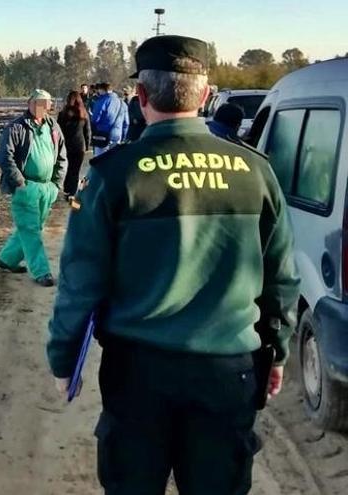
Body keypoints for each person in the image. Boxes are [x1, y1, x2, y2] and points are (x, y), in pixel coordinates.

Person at [47, 35, 299, 495]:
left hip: (138, 374)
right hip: (228, 373)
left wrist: (64, 356)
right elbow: (281, 277)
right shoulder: (256, 172)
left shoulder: (113, 173)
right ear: (205, 96)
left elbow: (80, 281)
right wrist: (277, 351)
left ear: (140, 97)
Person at [0, 89, 68, 287]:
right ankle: (41, 271)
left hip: (47, 188)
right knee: (31, 229)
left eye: (46, 104)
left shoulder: (53, 127)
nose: (43, 107)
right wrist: (20, 182)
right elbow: (4, 157)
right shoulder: (16, 127)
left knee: (32, 227)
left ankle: (7, 259)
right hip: (26, 187)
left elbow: (62, 156)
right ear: (30, 104)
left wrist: (56, 184)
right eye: (39, 103)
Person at [57, 90, 91, 197]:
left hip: (66, 146)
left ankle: (67, 189)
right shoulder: (83, 114)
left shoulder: (63, 114)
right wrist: (87, 145)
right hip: (79, 146)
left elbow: (58, 131)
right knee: (75, 170)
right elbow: (88, 131)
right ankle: (72, 192)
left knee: (67, 168)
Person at [90, 82, 129, 155]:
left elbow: (95, 118)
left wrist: (93, 129)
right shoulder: (122, 103)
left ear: (102, 90)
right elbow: (126, 123)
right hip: (117, 135)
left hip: (102, 135)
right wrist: (123, 137)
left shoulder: (102, 101)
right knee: (113, 161)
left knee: (100, 162)